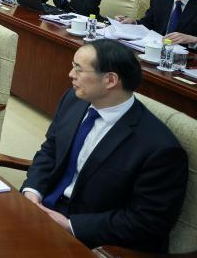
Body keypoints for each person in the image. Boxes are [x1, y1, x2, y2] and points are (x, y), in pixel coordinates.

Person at [21, 39, 187, 251]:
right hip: (43, 208)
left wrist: (70, 225)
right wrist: (32, 191)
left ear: (110, 80)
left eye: (78, 69)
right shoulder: (74, 100)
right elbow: (51, 150)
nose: (70, 75)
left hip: (93, 237)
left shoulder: (160, 148)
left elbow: (148, 221)